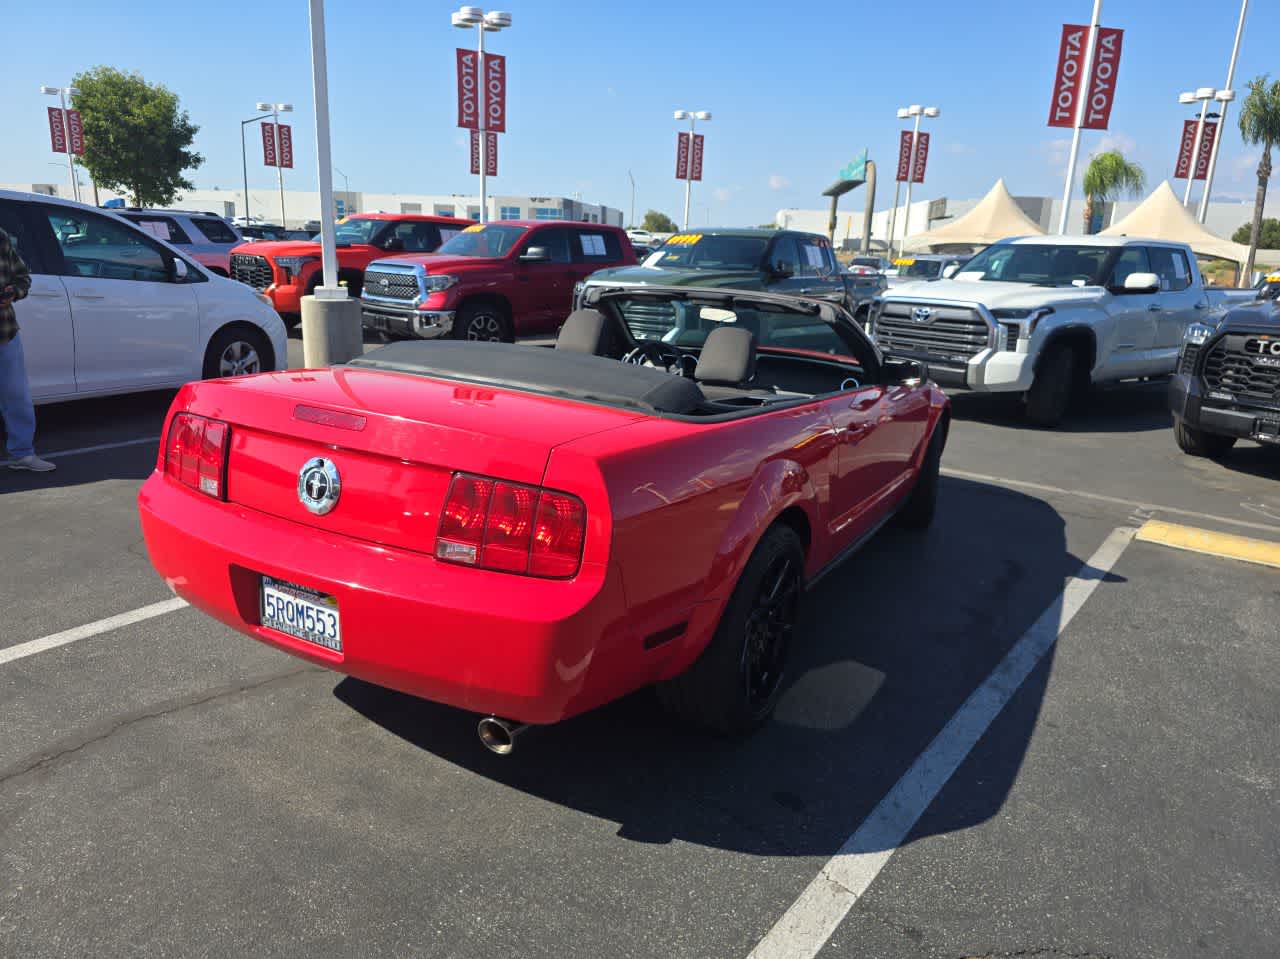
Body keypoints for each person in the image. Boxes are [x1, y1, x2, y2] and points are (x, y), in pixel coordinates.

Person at [0, 226, 55, 472]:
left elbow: (22, 277)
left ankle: (22, 454)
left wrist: (14, 292)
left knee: (17, 397)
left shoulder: (0, 237)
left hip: (5, 332)